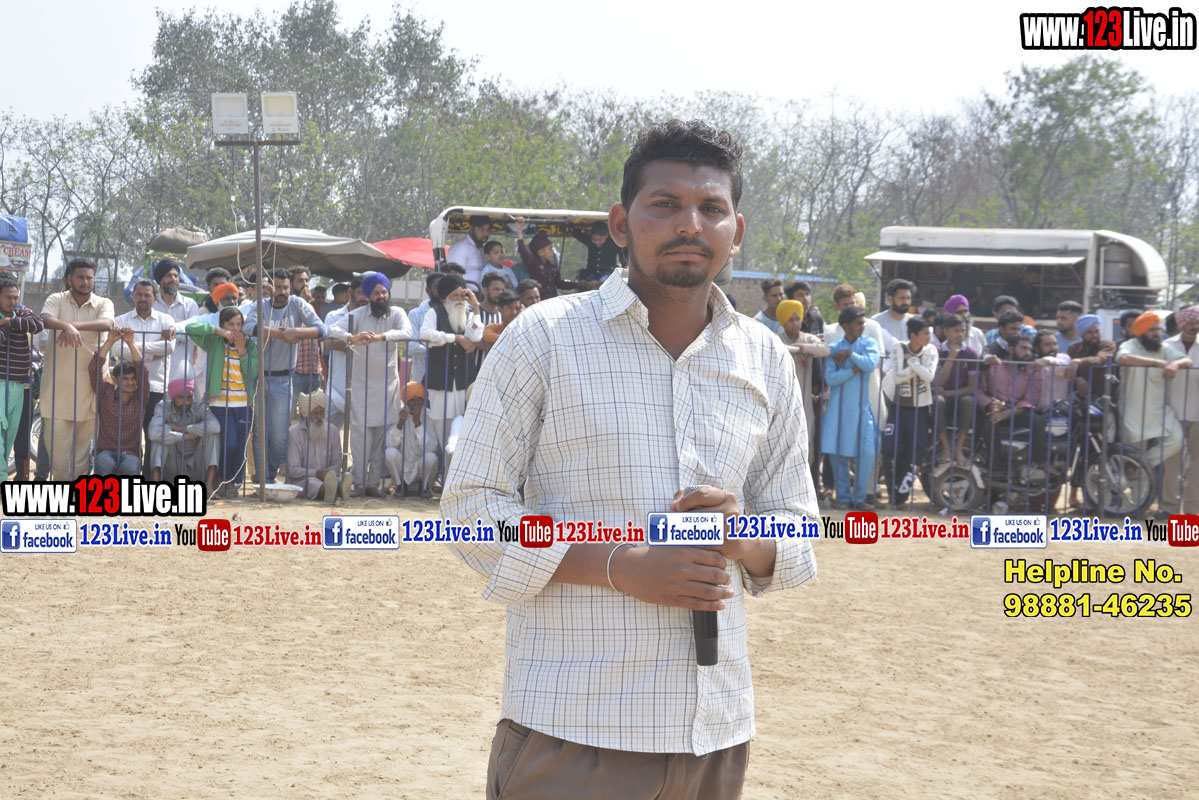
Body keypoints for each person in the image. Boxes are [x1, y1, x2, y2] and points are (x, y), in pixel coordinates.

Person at [443, 119, 816, 799]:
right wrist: (619, 565)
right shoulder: (545, 338)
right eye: (665, 204)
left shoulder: (764, 358)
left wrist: (743, 534)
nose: (689, 224)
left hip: (715, 734)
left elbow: (797, 530)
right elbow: (470, 510)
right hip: (575, 730)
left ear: (736, 231)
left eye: (710, 208)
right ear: (620, 224)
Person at [329, 272, 413, 496]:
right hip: (362, 386)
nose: (381, 296)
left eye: (384, 292)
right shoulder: (357, 315)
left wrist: (381, 336)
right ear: (368, 295)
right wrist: (351, 338)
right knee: (360, 438)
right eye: (376, 293)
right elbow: (332, 329)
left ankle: (373, 485)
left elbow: (407, 332)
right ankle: (358, 483)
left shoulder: (397, 313)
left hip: (387, 386)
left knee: (380, 439)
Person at [244, 268, 327, 483]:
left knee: (280, 435)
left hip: (283, 379)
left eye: (285, 287)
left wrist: (297, 332)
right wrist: (281, 334)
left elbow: (321, 329)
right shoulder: (260, 305)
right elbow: (248, 327)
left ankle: (269, 476)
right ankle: (263, 480)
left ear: (291, 288)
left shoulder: (297, 304)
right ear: (270, 287)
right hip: (258, 378)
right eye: (277, 287)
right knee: (259, 433)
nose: (281, 291)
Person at [41, 257, 116, 479]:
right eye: (80, 277)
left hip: (90, 392)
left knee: (82, 458)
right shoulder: (56, 299)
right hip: (57, 393)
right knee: (58, 459)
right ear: (68, 279)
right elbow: (44, 319)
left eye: (89, 277)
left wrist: (72, 326)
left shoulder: (104, 303)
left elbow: (107, 324)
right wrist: (64, 326)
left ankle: (78, 496)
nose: (85, 282)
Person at [1117, 312, 1192, 516]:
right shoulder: (1130, 345)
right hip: (1133, 412)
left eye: (1158, 329)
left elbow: (1186, 360)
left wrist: (1175, 363)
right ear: (1140, 332)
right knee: (1132, 455)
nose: (1157, 333)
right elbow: (1123, 358)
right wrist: (1159, 364)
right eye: (1152, 330)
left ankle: (1142, 464)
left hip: (1160, 410)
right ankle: (1134, 508)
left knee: (1177, 440)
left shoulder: (1164, 348)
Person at [184, 307, 259, 498]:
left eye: (238, 324)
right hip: (220, 403)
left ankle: (233, 482)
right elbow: (191, 328)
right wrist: (219, 332)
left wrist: (242, 351)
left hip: (243, 404)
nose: (235, 329)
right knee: (229, 443)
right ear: (223, 324)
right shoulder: (214, 341)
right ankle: (221, 479)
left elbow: (253, 372)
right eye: (230, 324)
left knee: (240, 445)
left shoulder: (250, 345)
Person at [420, 274, 484, 457]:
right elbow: (425, 334)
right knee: (441, 430)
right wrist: (455, 338)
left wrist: (476, 307)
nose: (460, 300)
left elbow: (477, 336)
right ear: (445, 297)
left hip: (463, 382)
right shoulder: (434, 313)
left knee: (463, 429)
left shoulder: (469, 313)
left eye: (463, 295)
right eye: (455, 296)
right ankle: (444, 470)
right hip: (441, 383)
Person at [823, 305, 880, 509]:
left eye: (863, 322)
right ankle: (843, 498)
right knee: (837, 454)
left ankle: (859, 497)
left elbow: (870, 364)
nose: (862, 326)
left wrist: (850, 355)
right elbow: (830, 379)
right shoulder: (834, 347)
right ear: (846, 325)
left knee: (867, 453)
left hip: (861, 409)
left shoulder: (868, 343)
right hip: (838, 409)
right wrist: (853, 371)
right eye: (858, 323)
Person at [977, 335, 1051, 484]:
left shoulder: (1033, 370)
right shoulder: (994, 366)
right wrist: (991, 405)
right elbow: (979, 390)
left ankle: (1041, 461)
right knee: (988, 426)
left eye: (1030, 350)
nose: (1028, 353)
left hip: (1016, 411)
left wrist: (1005, 414)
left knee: (1038, 421)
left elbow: (1030, 400)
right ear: (1011, 349)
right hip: (992, 410)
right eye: (1023, 348)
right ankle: (996, 469)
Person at [881, 317, 938, 507]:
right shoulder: (899, 347)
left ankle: (901, 496)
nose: (929, 336)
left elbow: (929, 376)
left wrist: (912, 362)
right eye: (925, 333)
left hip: (920, 411)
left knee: (914, 454)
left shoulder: (931, 350)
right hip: (898, 407)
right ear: (913, 335)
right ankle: (892, 493)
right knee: (889, 449)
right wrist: (918, 366)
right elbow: (898, 378)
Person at [112, 279, 176, 439]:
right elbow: (118, 350)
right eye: (139, 294)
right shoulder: (121, 321)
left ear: (155, 298)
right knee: (127, 435)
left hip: (156, 385)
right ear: (133, 296)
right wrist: (153, 353)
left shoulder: (166, 320)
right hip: (128, 386)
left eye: (147, 295)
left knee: (153, 435)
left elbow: (169, 348)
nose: (142, 298)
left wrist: (132, 346)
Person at [0, 275, 44, 480]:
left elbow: (37, 324)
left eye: (15, 297)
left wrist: (8, 322)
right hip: (1, 383)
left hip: (18, 385)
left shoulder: (20, 311)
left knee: (9, 438)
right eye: (8, 297)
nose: (13, 301)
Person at [776, 298, 827, 470]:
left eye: (797, 319)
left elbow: (825, 349)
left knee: (807, 439)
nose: (795, 323)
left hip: (804, 398)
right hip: (784, 398)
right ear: (783, 321)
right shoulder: (777, 338)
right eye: (790, 320)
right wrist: (796, 350)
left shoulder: (807, 338)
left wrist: (803, 348)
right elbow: (778, 348)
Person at [89, 329, 150, 475]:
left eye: (133, 379)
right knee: (104, 466)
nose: (131, 382)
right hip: (105, 451)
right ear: (115, 379)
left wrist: (131, 343)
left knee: (130, 469)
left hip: (130, 452)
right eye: (125, 378)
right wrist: (110, 341)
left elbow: (143, 372)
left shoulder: (140, 397)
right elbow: (94, 369)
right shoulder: (106, 392)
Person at [148, 377, 220, 496]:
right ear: (172, 397)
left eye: (189, 397)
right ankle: (156, 487)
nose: (186, 402)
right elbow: (153, 433)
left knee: (213, 436)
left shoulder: (199, 406)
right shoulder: (163, 406)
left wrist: (183, 428)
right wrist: (183, 436)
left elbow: (215, 426)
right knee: (160, 436)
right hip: (173, 465)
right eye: (181, 397)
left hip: (197, 465)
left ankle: (209, 486)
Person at [1164, 305, 1199, 514]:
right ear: (1181, 323)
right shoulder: (1167, 346)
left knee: (1197, 463)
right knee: (1171, 461)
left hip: (1198, 413)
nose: (1194, 326)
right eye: (1191, 322)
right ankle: (1168, 507)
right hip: (1173, 412)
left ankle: (1193, 509)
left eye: (1197, 322)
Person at [286, 389, 350, 501]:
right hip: (302, 481)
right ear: (306, 414)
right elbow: (293, 470)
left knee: (338, 478)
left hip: (328, 478)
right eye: (315, 413)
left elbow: (337, 464)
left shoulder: (333, 431)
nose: (319, 417)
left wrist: (327, 474)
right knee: (312, 483)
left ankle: (333, 489)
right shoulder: (295, 434)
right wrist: (316, 473)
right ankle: (334, 490)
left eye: (322, 412)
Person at [934, 314, 979, 468]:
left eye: (962, 331)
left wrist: (948, 393)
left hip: (959, 396)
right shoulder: (937, 351)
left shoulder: (971, 354)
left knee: (969, 401)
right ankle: (946, 448)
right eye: (956, 330)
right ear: (946, 331)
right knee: (937, 401)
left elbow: (972, 388)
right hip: (943, 399)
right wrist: (951, 358)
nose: (960, 334)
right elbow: (939, 382)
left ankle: (959, 449)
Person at [326, 277, 368, 428]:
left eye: (368, 294)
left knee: (360, 436)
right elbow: (330, 343)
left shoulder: (372, 318)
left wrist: (350, 342)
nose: (365, 298)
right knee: (326, 433)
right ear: (350, 292)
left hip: (362, 390)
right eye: (361, 293)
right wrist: (356, 341)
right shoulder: (333, 316)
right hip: (336, 388)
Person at [514, 217, 591, 299]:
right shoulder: (533, 265)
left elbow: (560, 284)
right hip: (540, 301)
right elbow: (523, 250)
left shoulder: (552, 268)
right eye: (550, 249)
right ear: (541, 252)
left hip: (553, 301)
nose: (553, 252)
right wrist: (519, 231)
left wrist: (578, 284)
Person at [385, 382, 440, 495]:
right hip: (403, 466)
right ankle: (400, 485)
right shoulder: (398, 413)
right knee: (389, 452)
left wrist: (418, 423)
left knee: (431, 458)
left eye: (419, 399)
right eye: (412, 400)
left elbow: (431, 448)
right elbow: (390, 443)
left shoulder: (429, 416)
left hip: (420, 467)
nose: (416, 403)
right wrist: (400, 423)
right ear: (406, 401)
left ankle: (424, 487)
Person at [151, 257, 200, 382]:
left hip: (182, 371)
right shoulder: (152, 305)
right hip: (155, 372)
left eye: (176, 276)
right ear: (160, 279)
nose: (173, 279)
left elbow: (193, 332)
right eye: (168, 275)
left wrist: (171, 333)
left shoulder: (190, 305)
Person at [290, 266, 324, 396]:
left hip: (314, 370)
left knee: (313, 408)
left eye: (306, 280)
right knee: (291, 408)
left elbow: (317, 330)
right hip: (296, 371)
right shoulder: (288, 304)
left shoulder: (309, 305)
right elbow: (295, 329)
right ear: (291, 284)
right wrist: (303, 302)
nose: (305, 284)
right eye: (300, 281)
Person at [446, 214, 492, 288]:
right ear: (471, 229)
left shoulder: (482, 249)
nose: (486, 233)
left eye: (488, 230)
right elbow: (453, 277)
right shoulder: (461, 248)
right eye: (481, 229)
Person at [872, 278, 915, 344]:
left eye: (908, 298)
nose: (906, 302)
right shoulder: (876, 322)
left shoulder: (915, 322)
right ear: (890, 299)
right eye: (902, 298)